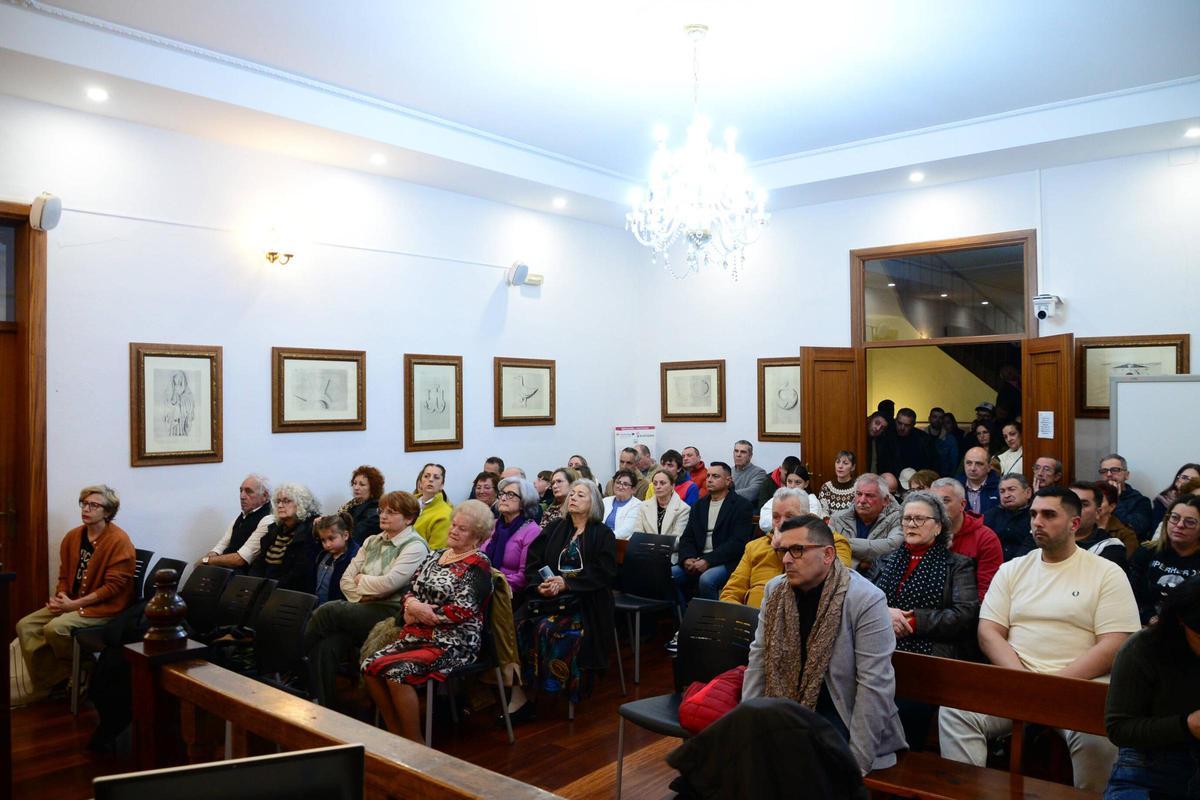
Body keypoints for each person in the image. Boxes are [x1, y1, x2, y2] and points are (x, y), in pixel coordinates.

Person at [938, 487, 1140, 792]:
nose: (1037, 522)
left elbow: (1115, 642)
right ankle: (969, 794)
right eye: (1033, 514)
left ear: (1074, 524)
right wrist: (1022, 680)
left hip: (1079, 685)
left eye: (1048, 515)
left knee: (1099, 738)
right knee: (955, 713)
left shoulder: (1106, 573)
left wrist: (1055, 685)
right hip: (1018, 679)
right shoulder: (1013, 569)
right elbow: (989, 631)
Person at [742, 514, 908, 775]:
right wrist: (748, 722)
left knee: (789, 761)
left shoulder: (865, 600)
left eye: (797, 550)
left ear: (828, 554)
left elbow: (874, 686)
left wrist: (857, 763)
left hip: (842, 713)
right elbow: (758, 660)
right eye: (783, 550)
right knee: (728, 744)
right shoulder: (775, 591)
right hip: (784, 705)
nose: (786, 559)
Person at [361, 500, 494, 741]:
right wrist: (412, 605)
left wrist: (423, 613)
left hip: (453, 641)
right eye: (454, 525)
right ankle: (395, 734)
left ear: (477, 536)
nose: (453, 530)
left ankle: (415, 743)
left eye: (462, 529)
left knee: (395, 674)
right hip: (417, 634)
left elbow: (462, 609)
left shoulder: (479, 564)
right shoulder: (438, 555)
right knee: (369, 667)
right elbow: (410, 588)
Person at [871, 491, 979, 750]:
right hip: (881, 653)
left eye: (919, 519)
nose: (911, 524)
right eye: (907, 519)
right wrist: (885, 614)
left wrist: (913, 620)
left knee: (907, 713)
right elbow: (862, 603)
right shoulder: (885, 561)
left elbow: (964, 616)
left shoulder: (957, 565)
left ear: (938, 526)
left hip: (930, 658)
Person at [304, 491, 430, 708]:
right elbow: (346, 580)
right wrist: (365, 593)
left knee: (329, 610)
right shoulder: (372, 540)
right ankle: (321, 704)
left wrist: (362, 582)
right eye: (382, 510)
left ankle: (293, 660)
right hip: (363, 606)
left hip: (393, 612)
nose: (383, 516)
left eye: (392, 512)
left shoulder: (415, 546)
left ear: (409, 518)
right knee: (327, 644)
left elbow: (390, 583)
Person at [16, 485, 136, 699]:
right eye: (84, 504)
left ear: (107, 512)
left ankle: (86, 666)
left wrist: (74, 605)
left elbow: (112, 588)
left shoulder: (119, 541)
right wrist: (61, 597)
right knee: (25, 626)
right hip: (73, 602)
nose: (86, 509)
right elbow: (64, 575)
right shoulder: (73, 537)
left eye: (94, 505)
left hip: (103, 608)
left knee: (56, 629)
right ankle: (56, 679)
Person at [510, 479, 617, 715]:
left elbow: (603, 572)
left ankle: (558, 688)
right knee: (518, 624)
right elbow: (534, 562)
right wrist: (540, 587)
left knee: (550, 630)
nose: (574, 498)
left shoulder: (603, 534)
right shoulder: (555, 528)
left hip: (585, 602)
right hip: (549, 599)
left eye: (581, 495)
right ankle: (522, 692)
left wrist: (567, 583)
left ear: (593, 503)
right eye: (573, 494)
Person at [1104, 575, 1200, 799]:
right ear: (1180, 622)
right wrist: (1186, 725)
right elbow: (1118, 728)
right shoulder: (1144, 648)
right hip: (1149, 765)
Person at [723, 489, 851, 608]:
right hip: (754, 624)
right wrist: (743, 624)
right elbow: (731, 593)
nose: (783, 523)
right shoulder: (755, 547)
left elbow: (839, 579)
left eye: (790, 516)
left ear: (807, 516)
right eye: (776, 517)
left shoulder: (833, 542)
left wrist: (789, 546)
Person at [673, 461, 754, 606]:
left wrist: (708, 560)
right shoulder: (699, 505)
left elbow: (738, 543)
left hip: (726, 561)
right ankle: (685, 620)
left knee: (707, 579)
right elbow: (687, 537)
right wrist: (687, 558)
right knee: (670, 574)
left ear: (728, 481)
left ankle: (714, 623)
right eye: (708, 476)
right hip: (698, 558)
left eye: (715, 476)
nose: (709, 479)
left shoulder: (741, 506)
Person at [1129, 496, 1200, 625]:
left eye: (1190, 522)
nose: (1179, 525)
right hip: (1144, 625)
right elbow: (1129, 593)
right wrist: (1150, 618)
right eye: (1174, 518)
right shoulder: (1146, 552)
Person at [929, 478, 1003, 601]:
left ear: (962, 504)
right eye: (933, 502)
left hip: (969, 609)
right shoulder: (925, 532)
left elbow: (987, 590)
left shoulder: (985, 538)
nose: (938, 508)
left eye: (945, 501)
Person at [249, 482, 322, 592]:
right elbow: (259, 564)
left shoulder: (311, 530)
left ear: (301, 503)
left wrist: (268, 589)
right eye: (278, 501)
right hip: (265, 588)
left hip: (290, 593)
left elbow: (299, 572)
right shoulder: (273, 530)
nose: (280, 505)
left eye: (286, 501)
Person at [198, 474, 275, 571]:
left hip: (245, 578)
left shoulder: (268, 519)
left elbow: (241, 559)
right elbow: (221, 545)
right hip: (226, 572)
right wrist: (207, 560)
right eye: (241, 490)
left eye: (248, 491)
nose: (242, 496)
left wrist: (206, 561)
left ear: (265, 495)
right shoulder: (242, 516)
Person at [828, 474, 903, 571]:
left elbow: (892, 546)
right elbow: (826, 548)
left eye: (869, 495)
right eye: (859, 494)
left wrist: (841, 542)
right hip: (843, 578)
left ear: (885, 500)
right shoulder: (838, 518)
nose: (862, 500)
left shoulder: (898, 518)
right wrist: (859, 564)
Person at [483, 477, 543, 594]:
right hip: (484, 583)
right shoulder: (493, 524)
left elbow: (524, 576)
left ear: (524, 503)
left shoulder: (532, 531)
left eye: (511, 494)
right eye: (502, 494)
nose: (503, 498)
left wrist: (492, 584)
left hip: (508, 593)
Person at [1070, 482, 1128, 572]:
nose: (1075, 509)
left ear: (1097, 512)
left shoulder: (1111, 548)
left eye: (1083, 504)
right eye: (1070, 503)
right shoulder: (1048, 539)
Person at [1100, 453, 1154, 541]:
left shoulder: (1140, 501)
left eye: (1115, 470)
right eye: (1104, 471)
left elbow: (1137, 529)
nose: (1109, 474)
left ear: (1127, 475)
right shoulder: (1093, 496)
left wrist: (1116, 499)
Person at [983, 473, 1035, 562]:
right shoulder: (990, 516)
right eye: (1002, 491)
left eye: (1011, 490)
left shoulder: (1036, 516)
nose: (1006, 495)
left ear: (1028, 493)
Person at [635, 469, 691, 549]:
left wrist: (656, 546)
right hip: (645, 552)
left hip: (670, 554)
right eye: (655, 483)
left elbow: (677, 539)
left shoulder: (683, 508)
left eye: (662, 483)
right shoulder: (643, 506)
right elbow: (637, 534)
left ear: (672, 485)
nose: (658, 486)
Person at [312, 513, 361, 604]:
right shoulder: (323, 555)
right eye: (323, 540)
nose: (327, 544)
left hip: (338, 609)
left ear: (345, 535)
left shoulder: (355, 557)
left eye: (331, 539)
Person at [759, 466, 824, 531]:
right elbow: (763, 523)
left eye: (798, 482)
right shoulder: (778, 498)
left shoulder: (812, 501)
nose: (792, 486)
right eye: (789, 482)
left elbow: (810, 524)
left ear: (806, 484)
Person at [1094, 480, 1141, 556]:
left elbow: (1123, 564)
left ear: (1112, 507)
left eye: (1099, 501)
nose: (1094, 505)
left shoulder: (1125, 535)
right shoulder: (1079, 526)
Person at [340, 465, 383, 545]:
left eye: (362, 485)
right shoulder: (351, 505)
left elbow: (357, 534)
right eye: (354, 483)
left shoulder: (374, 509)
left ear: (373, 488)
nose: (356, 487)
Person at [413, 463, 452, 548]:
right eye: (426, 476)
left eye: (436, 477)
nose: (430, 480)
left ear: (442, 485)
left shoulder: (445, 514)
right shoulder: (407, 503)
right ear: (420, 482)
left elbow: (436, 551)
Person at [1151, 463, 1200, 529]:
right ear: (1177, 481)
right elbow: (1155, 529)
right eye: (1184, 477)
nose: (1188, 482)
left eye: (1193, 480)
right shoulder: (1163, 500)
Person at [957, 446, 1001, 516]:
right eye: (969, 463)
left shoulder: (1001, 488)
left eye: (979, 464)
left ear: (989, 467)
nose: (973, 468)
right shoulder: (955, 488)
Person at [602, 468, 643, 540]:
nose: (620, 487)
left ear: (633, 489)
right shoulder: (605, 501)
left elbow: (626, 530)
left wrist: (604, 538)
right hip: (601, 541)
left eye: (625, 484)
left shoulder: (638, 505)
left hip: (621, 545)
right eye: (618, 482)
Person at [894, 407, 937, 472]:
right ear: (895, 421)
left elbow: (931, 465)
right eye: (899, 423)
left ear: (913, 425)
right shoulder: (888, 436)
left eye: (907, 425)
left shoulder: (924, 440)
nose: (902, 428)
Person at [539, 467, 578, 532]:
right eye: (553, 483)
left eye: (559, 481)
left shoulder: (577, 509)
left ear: (572, 483)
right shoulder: (551, 510)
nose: (554, 486)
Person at [818, 450, 857, 516]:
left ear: (853, 467)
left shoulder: (858, 487)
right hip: (829, 525)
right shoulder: (826, 487)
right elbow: (823, 512)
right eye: (838, 462)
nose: (840, 466)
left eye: (845, 463)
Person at [927, 407, 961, 478]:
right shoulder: (921, 436)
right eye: (934, 417)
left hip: (944, 478)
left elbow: (954, 463)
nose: (937, 420)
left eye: (940, 418)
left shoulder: (950, 439)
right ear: (929, 418)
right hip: (925, 477)